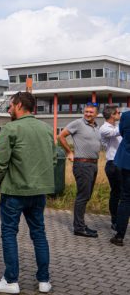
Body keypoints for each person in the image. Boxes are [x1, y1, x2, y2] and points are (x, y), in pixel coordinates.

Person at [0, 91, 55, 294]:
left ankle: (11, 281)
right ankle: (44, 281)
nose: (9, 109)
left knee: (9, 233)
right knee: (39, 234)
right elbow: (53, 159)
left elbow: (0, 161)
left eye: (11, 105)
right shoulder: (46, 129)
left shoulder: (11, 128)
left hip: (14, 191)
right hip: (39, 192)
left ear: (19, 105)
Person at [58, 102, 101, 238]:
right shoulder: (78, 123)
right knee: (82, 196)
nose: (88, 114)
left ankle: (80, 224)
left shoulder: (96, 126)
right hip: (82, 165)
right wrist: (69, 153)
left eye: (91, 112)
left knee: (86, 195)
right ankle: (79, 228)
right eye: (86, 111)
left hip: (93, 164)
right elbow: (61, 136)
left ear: (96, 114)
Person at [99, 105, 122, 231]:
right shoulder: (104, 128)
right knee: (116, 193)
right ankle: (115, 220)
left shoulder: (116, 126)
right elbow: (118, 132)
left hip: (121, 163)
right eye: (118, 112)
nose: (120, 114)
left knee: (122, 193)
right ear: (112, 115)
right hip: (113, 164)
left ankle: (121, 219)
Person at [110, 110, 130, 246]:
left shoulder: (126, 116)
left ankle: (119, 236)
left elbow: (122, 133)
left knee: (126, 198)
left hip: (127, 161)